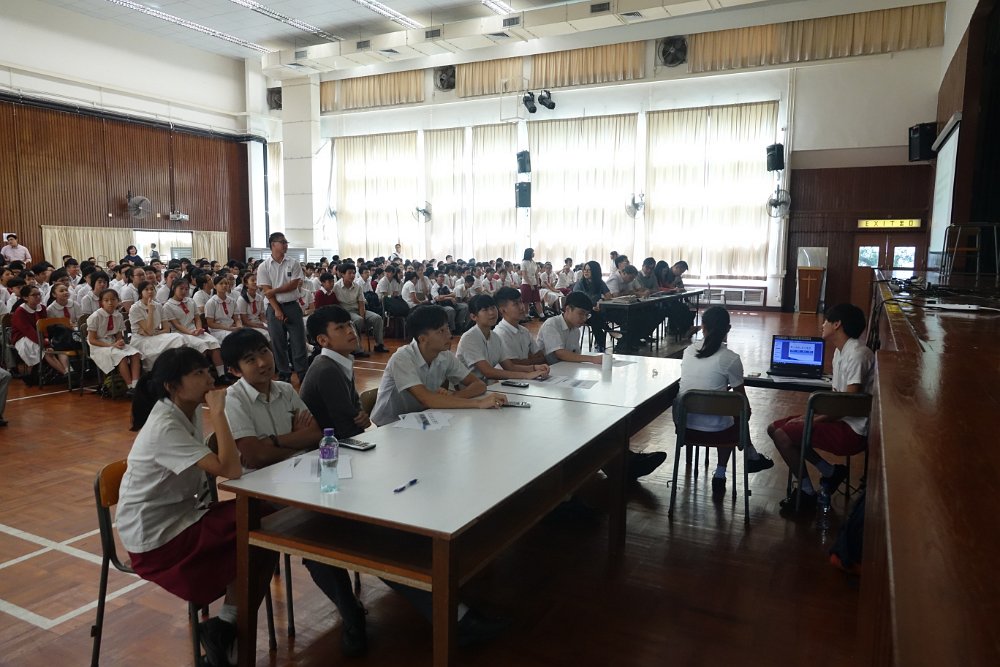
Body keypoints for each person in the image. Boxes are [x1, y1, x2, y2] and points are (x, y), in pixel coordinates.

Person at [117, 348, 278, 666]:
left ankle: (225, 628)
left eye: (207, 370)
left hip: (183, 516)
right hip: (157, 538)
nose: (209, 378)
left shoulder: (185, 410)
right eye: (198, 374)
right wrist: (219, 414)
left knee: (265, 522)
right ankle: (229, 632)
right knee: (260, 532)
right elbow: (230, 470)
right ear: (172, 386)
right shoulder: (165, 425)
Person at [769, 304, 874, 513]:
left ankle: (806, 492)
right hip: (839, 419)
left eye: (826, 320)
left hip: (853, 430)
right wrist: (810, 417)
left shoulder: (857, 354)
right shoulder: (839, 352)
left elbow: (849, 404)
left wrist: (813, 419)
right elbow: (836, 399)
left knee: (783, 434)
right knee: (774, 428)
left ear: (837, 324)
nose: (822, 324)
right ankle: (829, 471)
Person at [675, 306, 773, 498]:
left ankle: (752, 454)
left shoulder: (688, 352)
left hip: (686, 427)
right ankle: (722, 472)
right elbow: (743, 403)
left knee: (730, 408)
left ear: (702, 326)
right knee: (737, 411)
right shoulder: (731, 358)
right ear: (728, 329)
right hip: (719, 432)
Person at [370, 305, 507, 426]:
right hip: (390, 424)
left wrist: (453, 398)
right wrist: (479, 403)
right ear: (422, 339)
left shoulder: (444, 355)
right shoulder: (402, 358)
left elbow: (479, 385)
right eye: (441, 331)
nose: (449, 335)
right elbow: (427, 399)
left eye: (447, 328)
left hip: (423, 418)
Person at [456, 294, 549, 383]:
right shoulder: (469, 338)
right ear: (473, 316)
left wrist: (534, 368)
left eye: (493, 308)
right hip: (467, 388)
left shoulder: (494, 337)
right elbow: (488, 372)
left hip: (486, 385)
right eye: (485, 310)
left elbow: (510, 367)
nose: (491, 312)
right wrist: (526, 375)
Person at [256, 232, 308, 383]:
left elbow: (293, 285)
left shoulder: (293, 263)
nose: (286, 245)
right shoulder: (264, 266)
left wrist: (274, 290)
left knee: (299, 342)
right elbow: (267, 290)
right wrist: (277, 309)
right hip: (273, 308)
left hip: (292, 306)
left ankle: (302, 373)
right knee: (278, 343)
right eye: (282, 242)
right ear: (273, 244)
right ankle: (284, 373)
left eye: (286, 242)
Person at [161, 280, 228, 383]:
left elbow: (197, 318)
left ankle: (221, 375)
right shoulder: (168, 306)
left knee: (214, 344)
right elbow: (177, 324)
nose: (184, 291)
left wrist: (198, 329)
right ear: (174, 288)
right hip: (180, 333)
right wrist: (191, 333)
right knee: (201, 345)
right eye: (181, 289)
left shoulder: (190, 301)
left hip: (195, 330)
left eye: (186, 289)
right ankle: (201, 377)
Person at [86, 289, 143, 394]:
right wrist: (111, 345)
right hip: (99, 346)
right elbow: (92, 340)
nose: (110, 303)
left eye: (113, 299)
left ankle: (136, 384)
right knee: (121, 356)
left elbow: (118, 335)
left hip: (113, 343)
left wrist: (120, 342)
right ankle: (129, 386)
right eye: (106, 300)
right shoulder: (95, 317)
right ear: (101, 302)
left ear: (118, 301)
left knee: (135, 353)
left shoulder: (118, 316)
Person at [11, 284, 72, 380]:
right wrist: (45, 344)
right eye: (34, 295)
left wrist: (46, 339)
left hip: (40, 335)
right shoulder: (20, 312)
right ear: (25, 298)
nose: (38, 297)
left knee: (59, 345)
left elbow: (44, 327)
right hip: (23, 337)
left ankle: (68, 371)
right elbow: (29, 331)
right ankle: (66, 374)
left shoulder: (42, 308)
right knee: (46, 351)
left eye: (39, 294)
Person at [129, 280, 187, 370]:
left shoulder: (158, 306)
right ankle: (157, 371)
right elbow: (149, 330)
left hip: (155, 335)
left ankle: (176, 368)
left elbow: (167, 329)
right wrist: (150, 311)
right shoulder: (135, 308)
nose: (150, 292)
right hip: (141, 339)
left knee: (179, 338)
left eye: (152, 289)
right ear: (140, 292)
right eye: (146, 289)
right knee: (156, 351)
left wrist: (156, 333)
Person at [333, 263, 387, 356]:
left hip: (358, 310)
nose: (352, 275)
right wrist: (361, 319)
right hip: (346, 312)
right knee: (358, 320)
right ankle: (357, 349)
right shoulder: (336, 287)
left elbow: (361, 303)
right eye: (349, 273)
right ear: (342, 274)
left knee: (377, 318)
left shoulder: (357, 286)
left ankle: (379, 344)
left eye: (354, 273)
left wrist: (363, 316)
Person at [535, 292, 602, 366]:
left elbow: (575, 356)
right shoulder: (551, 324)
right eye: (581, 313)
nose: (584, 318)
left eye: (587, 315)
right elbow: (560, 354)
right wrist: (592, 359)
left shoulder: (576, 330)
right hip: (546, 369)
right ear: (568, 309)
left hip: (564, 368)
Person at [492, 287, 547, 370]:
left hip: (530, 375)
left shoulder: (524, 331)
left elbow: (541, 357)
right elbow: (511, 366)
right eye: (515, 304)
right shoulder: (500, 334)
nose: (522, 307)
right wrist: (530, 359)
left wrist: (524, 361)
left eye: (521, 302)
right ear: (502, 310)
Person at [573, 261, 612, 351]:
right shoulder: (580, 283)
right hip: (583, 312)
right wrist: (591, 307)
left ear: (595, 271)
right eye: (585, 270)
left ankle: (601, 343)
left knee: (597, 318)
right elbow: (577, 300)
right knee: (595, 318)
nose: (586, 272)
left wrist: (601, 300)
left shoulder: (599, 282)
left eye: (589, 270)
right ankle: (607, 333)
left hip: (597, 312)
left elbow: (609, 296)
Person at [204, 275, 241, 343]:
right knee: (233, 338)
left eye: (226, 283)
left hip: (231, 327)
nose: (224, 285)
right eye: (221, 283)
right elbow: (210, 323)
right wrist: (227, 328)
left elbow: (237, 319)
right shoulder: (211, 302)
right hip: (217, 330)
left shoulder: (232, 301)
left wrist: (239, 327)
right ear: (215, 286)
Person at [235, 273, 269, 339]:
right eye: (253, 280)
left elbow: (262, 317)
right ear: (246, 284)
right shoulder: (242, 299)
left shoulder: (259, 298)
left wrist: (267, 324)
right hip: (248, 326)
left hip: (259, 323)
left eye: (257, 280)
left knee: (274, 331)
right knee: (266, 335)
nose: (256, 282)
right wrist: (260, 326)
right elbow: (245, 321)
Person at [519, 247, 545, 320]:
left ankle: (542, 315)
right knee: (526, 301)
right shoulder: (524, 263)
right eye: (532, 252)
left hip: (534, 283)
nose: (534, 254)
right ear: (529, 253)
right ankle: (526, 315)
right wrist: (530, 285)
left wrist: (537, 283)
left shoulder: (534, 262)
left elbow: (536, 274)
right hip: (526, 284)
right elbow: (524, 275)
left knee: (537, 300)